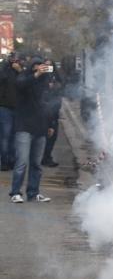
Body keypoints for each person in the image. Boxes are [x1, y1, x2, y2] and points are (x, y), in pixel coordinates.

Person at [9, 57, 54, 203]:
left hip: (40, 127)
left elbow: (49, 105)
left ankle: (33, 193)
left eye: (42, 66)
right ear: (32, 67)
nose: (40, 68)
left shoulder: (45, 83)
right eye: (37, 66)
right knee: (21, 162)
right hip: (24, 127)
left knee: (36, 164)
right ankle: (15, 192)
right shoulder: (24, 77)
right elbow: (21, 84)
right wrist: (36, 74)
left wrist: (51, 124)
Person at [0, 53, 22, 171]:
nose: (14, 60)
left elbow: (26, 82)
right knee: (5, 136)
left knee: (14, 137)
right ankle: (4, 161)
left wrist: (19, 70)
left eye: (16, 58)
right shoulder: (4, 69)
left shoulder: (21, 71)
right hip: (5, 107)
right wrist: (5, 65)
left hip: (18, 108)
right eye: (12, 58)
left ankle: (12, 160)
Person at [40, 59, 63, 168]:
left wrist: (55, 85)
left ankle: (47, 156)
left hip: (54, 111)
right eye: (46, 65)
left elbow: (61, 88)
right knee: (43, 136)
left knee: (52, 137)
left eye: (50, 66)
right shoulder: (40, 77)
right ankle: (43, 157)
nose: (48, 68)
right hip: (43, 111)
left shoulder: (56, 78)